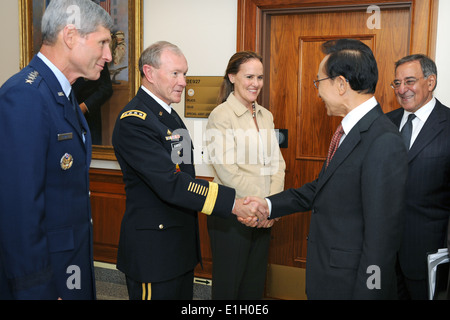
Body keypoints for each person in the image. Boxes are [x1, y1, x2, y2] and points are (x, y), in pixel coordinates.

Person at [244, 39, 408, 299]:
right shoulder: (349, 131)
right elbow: (321, 189)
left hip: (352, 285)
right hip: (329, 279)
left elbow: (381, 239)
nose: (317, 92)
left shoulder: (383, 140)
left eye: (318, 82)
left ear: (341, 84)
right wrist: (269, 204)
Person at [111, 41, 261, 300]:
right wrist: (233, 204)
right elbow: (171, 182)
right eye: (175, 73)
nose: (183, 81)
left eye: (185, 73)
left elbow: (184, 174)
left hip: (179, 246)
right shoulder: (134, 122)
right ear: (149, 73)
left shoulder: (169, 116)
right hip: (153, 253)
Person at [0, 0, 113, 300]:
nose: (109, 55)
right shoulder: (26, 96)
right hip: (46, 278)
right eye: (102, 42)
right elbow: (19, 212)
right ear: (71, 35)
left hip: (70, 264)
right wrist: (37, 291)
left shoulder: (61, 94)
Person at [205, 51, 285, 299]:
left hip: (262, 215)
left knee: (253, 287)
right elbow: (227, 171)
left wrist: (271, 206)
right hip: (233, 216)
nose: (256, 83)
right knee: (229, 289)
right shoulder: (220, 116)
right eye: (249, 76)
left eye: (260, 77)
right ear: (232, 77)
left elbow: (277, 164)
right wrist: (258, 207)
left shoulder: (266, 115)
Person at [385, 54, 450, 300]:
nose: (402, 90)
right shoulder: (384, 123)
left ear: (430, 82)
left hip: (428, 256)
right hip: (385, 253)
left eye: (409, 81)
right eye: (397, 83)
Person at [73, 64, 113, 145]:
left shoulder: (97, 54)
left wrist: (84, 107)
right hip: (62, 114)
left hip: (89, 118)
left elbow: (106, 88)